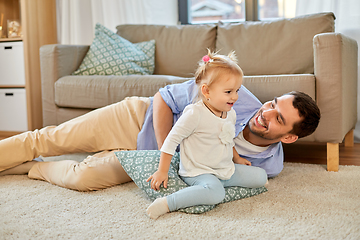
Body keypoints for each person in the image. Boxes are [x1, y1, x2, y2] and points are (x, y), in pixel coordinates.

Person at [0, 55, 321, 192]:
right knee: (49, 138)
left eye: (278, 118)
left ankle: (34, 169)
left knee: (83, 178)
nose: (265, 113)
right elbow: (163, 98)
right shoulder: (234, 94)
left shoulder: (269, 166)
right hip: (137, 121)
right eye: (272, 103)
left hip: (152, 163)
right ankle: (26, 155)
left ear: (289, 138)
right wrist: (165, 150)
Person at [145, 50, 268, 219]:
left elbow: (227, 139)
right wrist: (162, 171)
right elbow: (172, 140)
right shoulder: (195, 114)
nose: (235, 97)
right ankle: (167, 203)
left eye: (237, 90)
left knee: (261, 176)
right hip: (198, 171)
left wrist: (237, 158)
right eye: (228, 92)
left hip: (223, 168)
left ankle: (216, 184)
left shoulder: (230, 113)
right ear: (207, 91)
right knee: (216, 194)